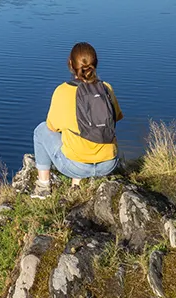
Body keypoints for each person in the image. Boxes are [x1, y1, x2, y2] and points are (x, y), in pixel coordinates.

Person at [30, 42, 123, 199]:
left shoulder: (62, 91)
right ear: (95, 64)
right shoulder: (106, 88)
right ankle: (77, 184)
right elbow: (117, 117)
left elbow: (51, 127)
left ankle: (43, 188)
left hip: (76, 167)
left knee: (41, 130)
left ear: (70, 64)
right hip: (109, 164)